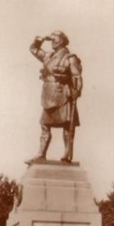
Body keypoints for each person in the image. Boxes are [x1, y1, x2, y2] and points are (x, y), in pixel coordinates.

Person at [26, 31, 83, 164]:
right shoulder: (48, 56)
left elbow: (77, 77)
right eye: (51, 39)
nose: (51, 41)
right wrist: (39, 40)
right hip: (48, 95)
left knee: (66, 126)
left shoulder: (70, 58)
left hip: (62, 94)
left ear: (61, 41)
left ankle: (67, 154)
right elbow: (34, 49)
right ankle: (41, 154)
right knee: (45, 125)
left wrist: (77, 91)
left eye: (54, 38)